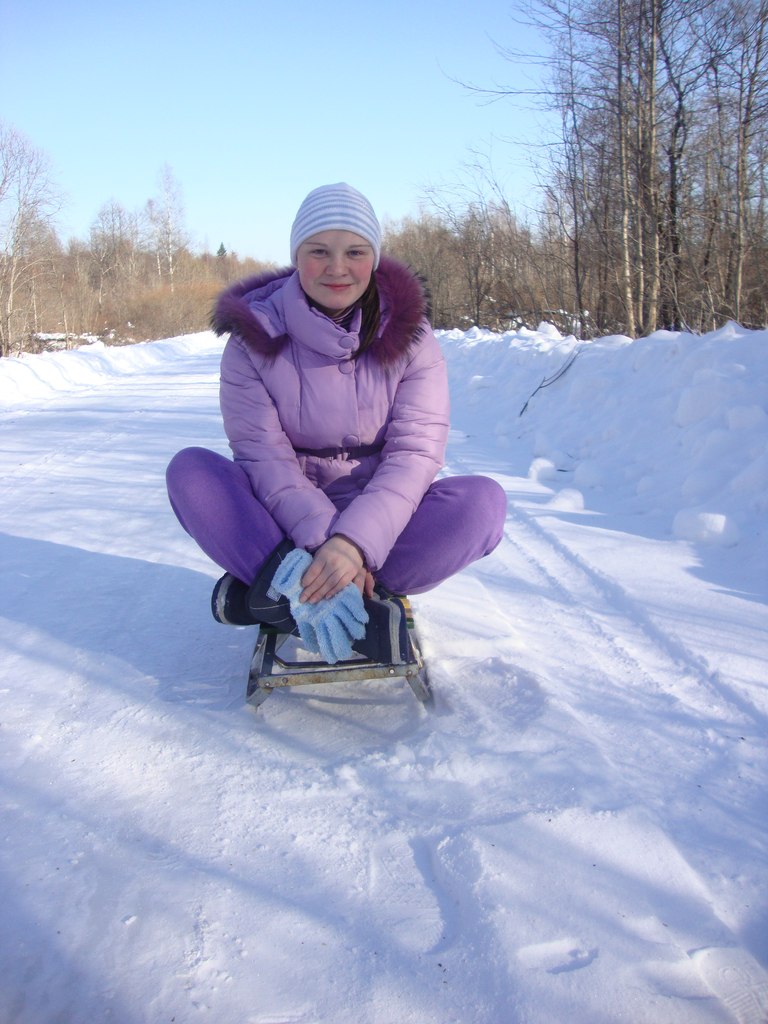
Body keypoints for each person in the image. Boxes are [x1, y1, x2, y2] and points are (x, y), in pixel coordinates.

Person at [166, 183, 506, 663]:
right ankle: (350, 603)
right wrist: (327, 541)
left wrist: (355, 544)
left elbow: (415, 454)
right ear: (295, 255)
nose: (337, 267)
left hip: (383, 521)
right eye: (319, 251)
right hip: (281, 518)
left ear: (374, 256)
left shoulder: (413, 338)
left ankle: (272, 595)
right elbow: (263, 455)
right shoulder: (252, 339)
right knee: (192, 474)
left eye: (355, 251)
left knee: (482, 505)